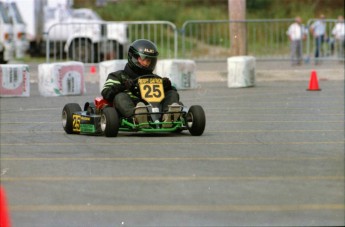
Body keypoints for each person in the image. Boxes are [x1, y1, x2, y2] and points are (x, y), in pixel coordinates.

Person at [101, 39, 180, 128]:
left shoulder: (155, 78)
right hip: (132, 107)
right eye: (143, 59)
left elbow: (172, 94)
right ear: (133, 57)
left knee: (172, 93)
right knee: (120, 96)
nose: (146, 63)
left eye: (149, 61)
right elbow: (106, 93)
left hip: (156, 108)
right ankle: (138, 117)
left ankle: (168, 117)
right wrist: (123, 86)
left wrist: (167, 87)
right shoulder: (118, 76)